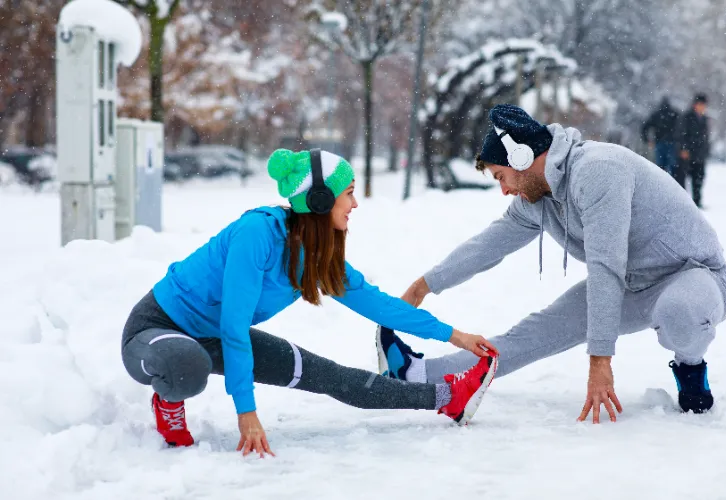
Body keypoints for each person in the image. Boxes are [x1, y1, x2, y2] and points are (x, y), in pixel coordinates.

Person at [121, 148, 499, 457]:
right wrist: (247, 412)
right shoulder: (256, 234)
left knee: (332, 377)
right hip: (157, 330)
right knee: (187, 365)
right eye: (348, 192)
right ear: (319, 200)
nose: (355, 203)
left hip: (215, 338)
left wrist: (456, 337)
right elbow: (235, 325)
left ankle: (448, 397)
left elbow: (381, 306)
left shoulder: (316, 256)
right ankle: (167, 404)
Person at [377, 104, 726, 424]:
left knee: (678, 312)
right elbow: (487, 246)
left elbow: (605, 264)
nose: (503, 190)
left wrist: (600, 360)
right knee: (535, 331)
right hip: (632, 284)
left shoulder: (598, 171)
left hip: (693, 275)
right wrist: (422, 286)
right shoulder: (538, 198)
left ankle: (691, 368)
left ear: (520, 157)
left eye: (501, 176)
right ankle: (420, 373)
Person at [675, 93, 711, 208]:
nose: (703, 107)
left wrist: (706, 150)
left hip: (700, 154)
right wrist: (684, 148)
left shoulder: (704, 118)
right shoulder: (687, 117)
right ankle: (683, 203)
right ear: (695, 104)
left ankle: (697, 202)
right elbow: (681, 133)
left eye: (704, 105)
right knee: (682, 179)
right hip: (688, 154)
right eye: (701, 104)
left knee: (699, 179)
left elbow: (705, 136)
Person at [641, 96, 680, 177]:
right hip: (671, 144)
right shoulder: (675, 114)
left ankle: (661, 186)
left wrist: (647, 140)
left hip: (659, 143)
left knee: (660, 169)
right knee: (672, 168)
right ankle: (671, 186)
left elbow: (645, 127)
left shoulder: (656, 114)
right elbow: (681, 129)